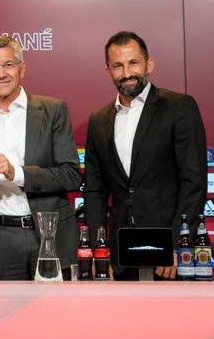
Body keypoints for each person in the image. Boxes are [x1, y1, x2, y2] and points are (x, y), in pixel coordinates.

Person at [0, 35, 81, 280]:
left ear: (23, 68)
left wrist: (17, 173)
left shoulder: (53, 110)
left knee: (56, 306)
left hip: (49, 235)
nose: (1, 73)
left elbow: (71, 175)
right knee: (0, 306)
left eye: (8, 65)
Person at [84, 30, 207, 279]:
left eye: (133, 63)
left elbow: (193, 181)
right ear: (108, 71)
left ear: (149, 64)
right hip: (119, 256)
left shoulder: (179, 107)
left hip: (168, 254)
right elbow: (95, 191)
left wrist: (178, 242)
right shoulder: (98, 120)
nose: (126, 72)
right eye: (117, 66)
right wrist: (100, 251)